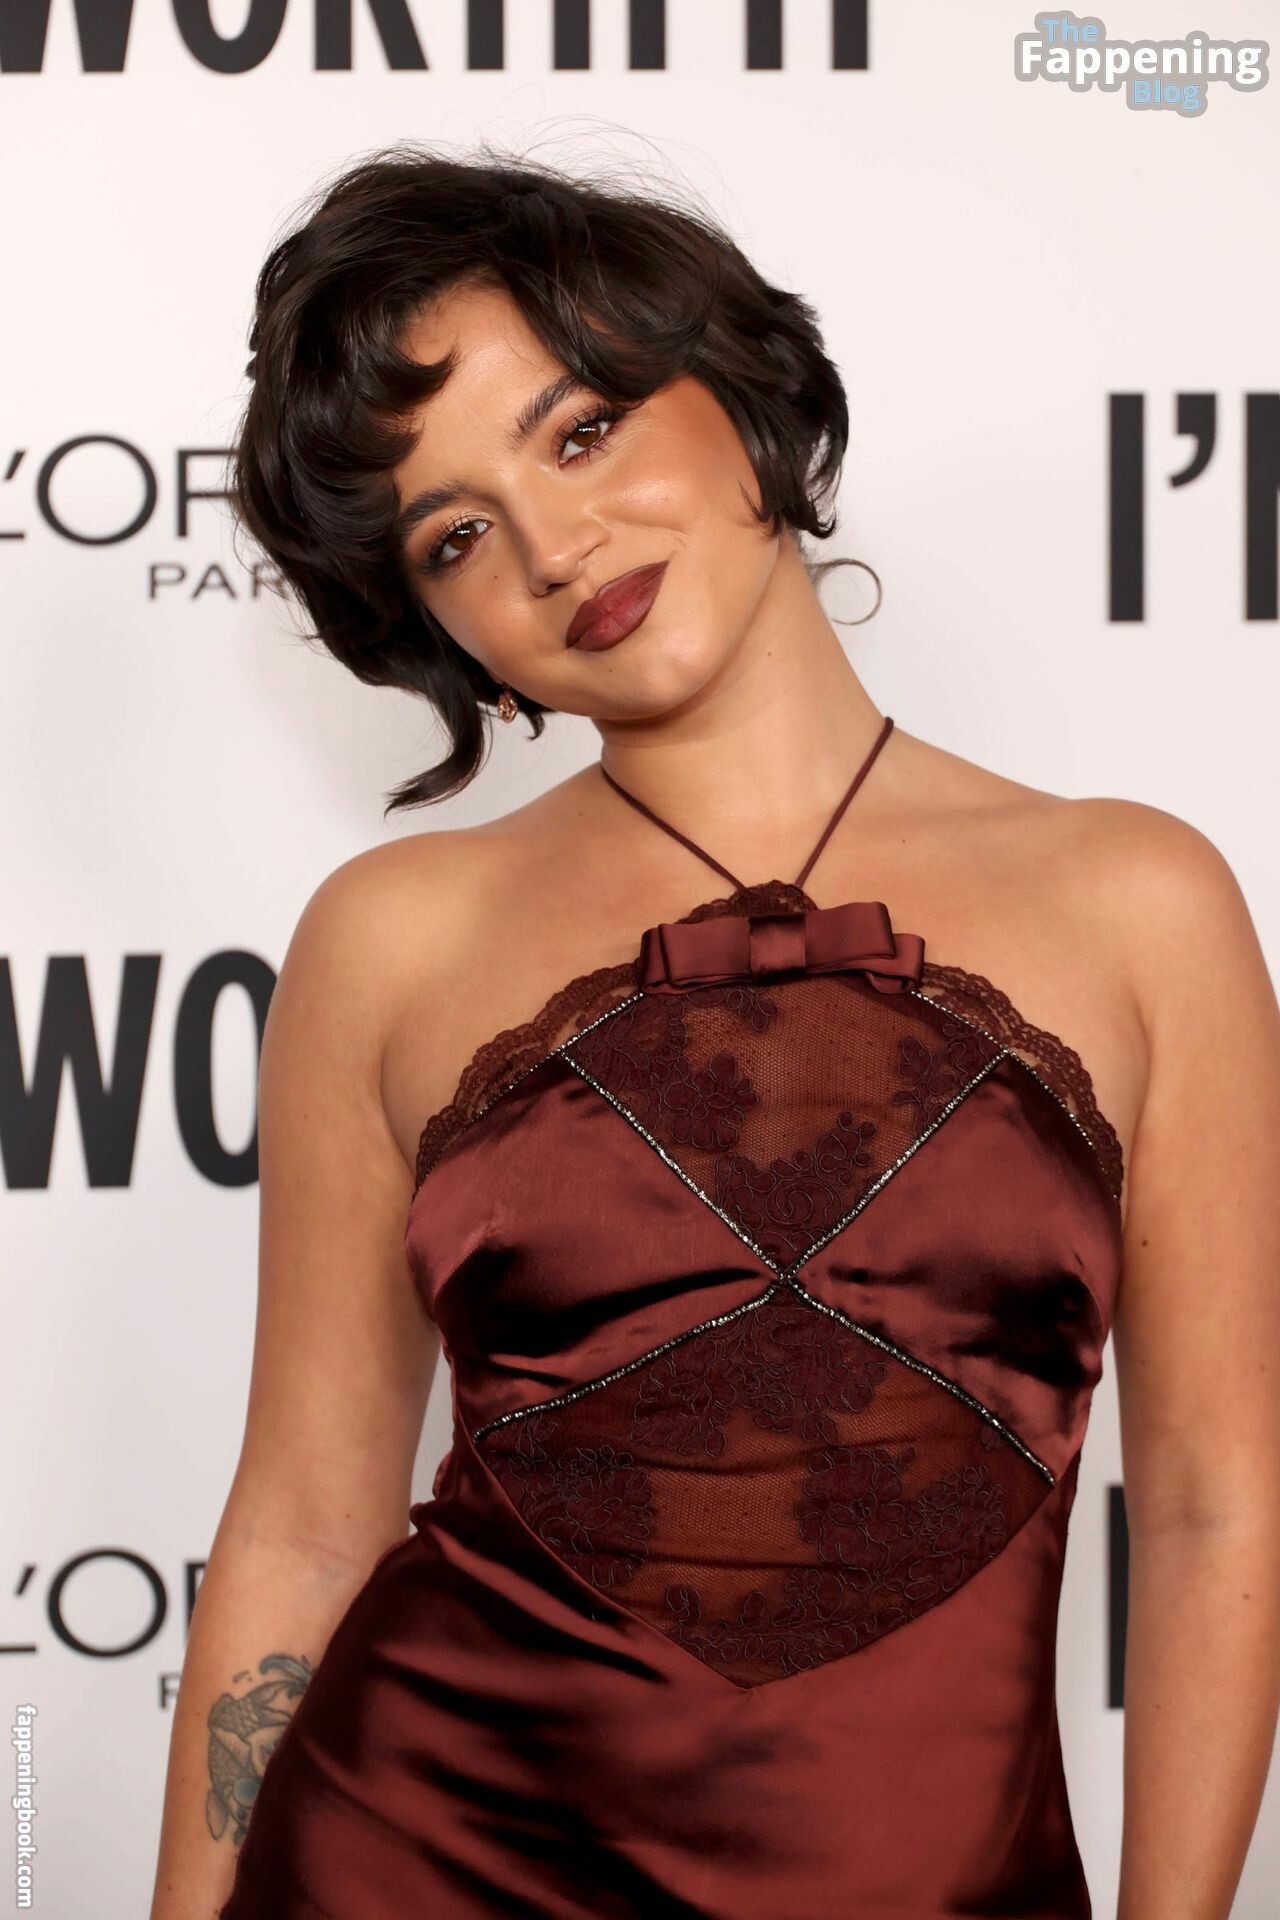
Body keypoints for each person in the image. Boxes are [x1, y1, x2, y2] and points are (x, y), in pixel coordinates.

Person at [149, 142, 1280, 1920]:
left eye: (582, 431)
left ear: (741, 394)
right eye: (456, 536)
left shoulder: (1142, 899)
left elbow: (1219, 1504)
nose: (554, 548)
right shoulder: (389, 940)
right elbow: (302, 1524)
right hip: (411, 1862)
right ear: (440, 630)